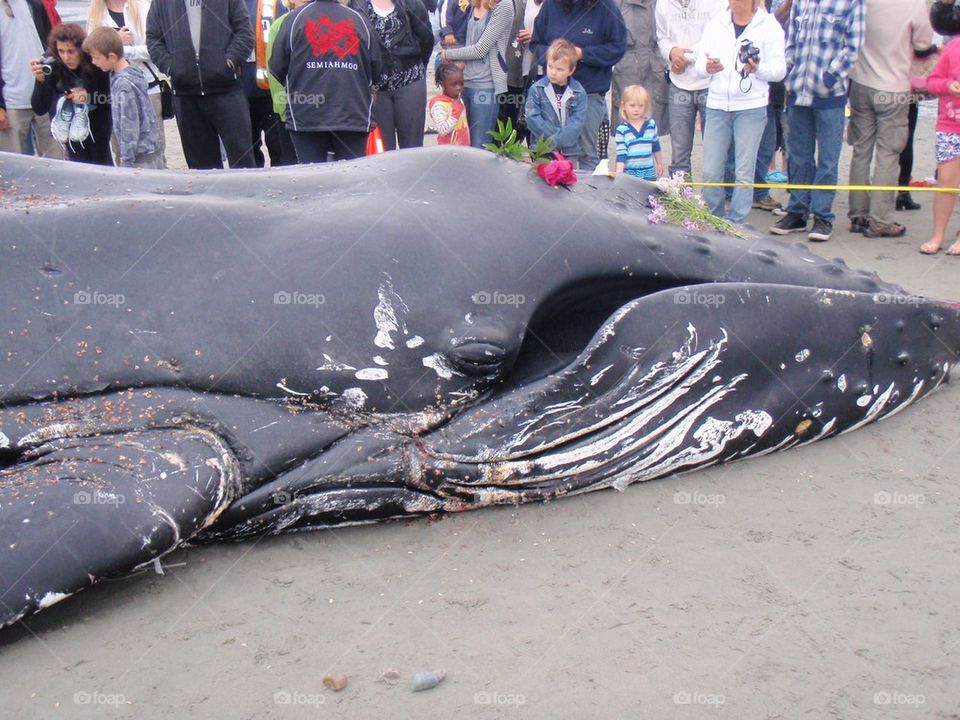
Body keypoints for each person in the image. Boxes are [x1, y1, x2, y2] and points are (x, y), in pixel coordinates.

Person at [768, 0, 864, 242]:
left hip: (830, 96)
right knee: (798, 155)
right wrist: (790, 69)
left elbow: (853, 46)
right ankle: (797, 212)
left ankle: (823, 217)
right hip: (798, 92)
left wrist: (829, 77)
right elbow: (791, 39)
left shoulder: (852, 2)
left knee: (828, 160)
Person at [846, 0, 932, 238]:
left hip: (861, 82)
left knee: (861, 150)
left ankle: (858, 214)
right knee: (888, 154)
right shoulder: (913, 4)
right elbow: (923, 43)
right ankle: (881, 219)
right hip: (893, 87)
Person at [694, 0, 784, 223]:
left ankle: (736, 223)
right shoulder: (716, 23)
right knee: (711, 172)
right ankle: (715, 219)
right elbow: (698, 61)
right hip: (716, 106)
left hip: (751, 107)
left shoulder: (769, 26)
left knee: (744, 172)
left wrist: (757, 69)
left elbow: (779, 70)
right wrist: (706, 67)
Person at [146, 0, 255, 169]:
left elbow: (245, 33)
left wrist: (229, 61)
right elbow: (153, 39)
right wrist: (171, 66)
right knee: (201, 170)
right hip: (185, 96)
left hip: (226, 90)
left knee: (243, 162)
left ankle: (246, 196)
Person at [269, 0, 381, 162]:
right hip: (352, 114)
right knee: (350, 177)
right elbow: (376, 70)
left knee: (313, 177)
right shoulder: (360, 21)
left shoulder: (294, 20)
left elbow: (277, 67)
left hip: (307, 115)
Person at [529, 0, 626, 170]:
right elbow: (536, 43)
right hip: (550, 95)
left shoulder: (606, 7)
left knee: (588, 154)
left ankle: (586, 195)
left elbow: (617, 48)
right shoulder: (550, 5)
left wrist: (583, 54)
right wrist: (558, 60)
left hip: (590, 93)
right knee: (546, 152)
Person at [87, 0, 167, 166]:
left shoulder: (143, 7)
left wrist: (121, 49)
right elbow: (93, 50)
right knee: (121, 145)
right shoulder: (96, 14)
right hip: (112, 85)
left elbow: (156, 47)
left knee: (152, 146)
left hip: (147, 84)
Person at [655, 0, 724, 178]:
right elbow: (662, 37)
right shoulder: (662, 3)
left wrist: (684, 57)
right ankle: (682, 200)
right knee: (679, 152)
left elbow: (719, 35)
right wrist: (671, 53)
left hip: (711, 82)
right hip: (678, 83)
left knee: (716, 150)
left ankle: (715, 200)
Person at [31, 23, 114, 165]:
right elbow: (39, 108)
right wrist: (40, 82)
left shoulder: (94, 62)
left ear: (81, 50)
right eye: (61, 51)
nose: (66, 57)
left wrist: (88, 97)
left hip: (98, 129)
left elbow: (110, 99)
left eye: (71, 52)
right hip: (69, 131)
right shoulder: (52, 64)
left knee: (102, 168)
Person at [357, 0, 434, 151]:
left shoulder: (413, 4)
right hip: (376, 87)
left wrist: (416, 66)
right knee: (383, 150)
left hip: (410, 80)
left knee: (412, 148)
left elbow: (427, 39)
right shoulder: (357, 6)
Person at [441, 0, 515, 149]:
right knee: (461, 144)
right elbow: (465, 39)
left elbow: (480, 49)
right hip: (464, 83)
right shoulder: (474, 3)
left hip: (485, 85)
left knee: (480, 146)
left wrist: (448, 54)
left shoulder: (504, 5)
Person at [0, 0, 60, 157]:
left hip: (45, 97)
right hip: (11, 101)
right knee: (15, 166)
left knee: (56, 161)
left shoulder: (35, 6)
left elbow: (52, 49)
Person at [920, 37, 960, 255]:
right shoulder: (954, 46)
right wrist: (948, 85)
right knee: (946, 182)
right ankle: (938, 235)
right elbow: (933, 82)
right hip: (950, 125)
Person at [613, 0, 668, 158]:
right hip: (626, 69)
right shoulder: (615, 4)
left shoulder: (662, 4)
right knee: (625, 132)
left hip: (654, 69)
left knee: (653, 130)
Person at [243, 0, 293, 166]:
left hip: (272, 93)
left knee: (281, 153)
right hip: (239, 93)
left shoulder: (276, 4)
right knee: (247, 156)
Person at [525, 38, 586, 159]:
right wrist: (554, 139)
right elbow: (532, 118)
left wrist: (561, 139)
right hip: (542, 149)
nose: (553, 72)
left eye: (559, 69)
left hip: (569, 152)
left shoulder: (579, 92)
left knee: (568, 177)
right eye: (550, 66)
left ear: (571, 70)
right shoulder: (537, 89)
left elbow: (577, 122)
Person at [614, 84, 662, 178]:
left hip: (648, 171)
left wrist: (659, 163)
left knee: (650, 192)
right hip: (629, 173)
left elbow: (656, 145)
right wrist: (619, 173)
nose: (636, 109)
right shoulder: (622, 129)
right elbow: (621, 153)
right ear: (623, 106)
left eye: (641, 106)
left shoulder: (651, 125)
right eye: (632, 106)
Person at [428, 61, 470, 144]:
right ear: (442, 84)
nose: (458, 87)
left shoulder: (459, 99)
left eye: (461, 83)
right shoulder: (439, 104)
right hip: (448, 151)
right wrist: (455, 114)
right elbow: (442, 130)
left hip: (463, 149)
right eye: (453, 84)